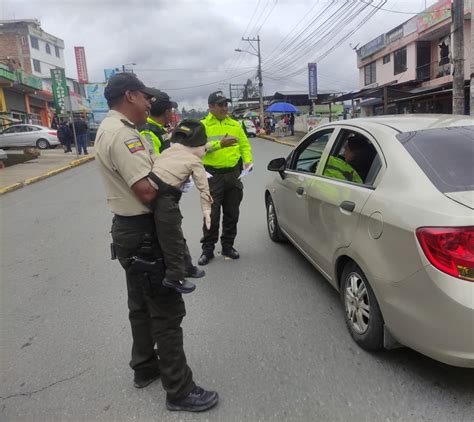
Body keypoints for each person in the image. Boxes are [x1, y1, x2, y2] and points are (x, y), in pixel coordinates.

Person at [95, 72, 218, 412]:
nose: (150, 102)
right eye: (146, 97)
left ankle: (144, 367)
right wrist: (177, 183)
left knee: (140, 304)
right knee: (166, 310)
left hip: (129, 230)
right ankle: (179, 390)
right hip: (144, 232)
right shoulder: (123, 136)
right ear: (130, 96)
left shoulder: (118, 130)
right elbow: (148, 191)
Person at [149, 119, 213, 294]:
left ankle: (187, 267)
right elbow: (204, 188)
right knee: (172, 239)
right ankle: (174, 277)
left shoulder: (166, 151)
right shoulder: (194, 160)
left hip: (154, 192)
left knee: (175, 234)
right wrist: (206, 210)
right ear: (199, 145)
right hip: (165, 198)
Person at [198, 90, 253, 265]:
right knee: (211, 215)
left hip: (233, 175)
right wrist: (218, 144)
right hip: (212, 176)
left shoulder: (235, 124)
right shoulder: (202, 126)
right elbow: (198, 149)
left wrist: (248, 161)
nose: (224, 107)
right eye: (220, 104)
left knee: (232, 213)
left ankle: (228, 245)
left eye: (226, 104)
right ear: (210, 106)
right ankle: (208, 249)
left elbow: (244, 144)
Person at [139, 91, 177, 155]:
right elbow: (153, 161)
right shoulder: (148, 133)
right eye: (172, 111)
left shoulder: (159, 128)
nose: (173, 114)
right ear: (167, 112)